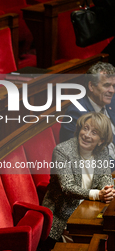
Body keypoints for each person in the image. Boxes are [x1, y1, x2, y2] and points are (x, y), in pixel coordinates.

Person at [42, 112, 115, 250]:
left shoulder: (102, 150)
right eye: (85, 128)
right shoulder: (62, 151)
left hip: (88, 210)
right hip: (62, 217)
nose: (87, 135)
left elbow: (105, 175)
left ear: (101, 141)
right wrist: (97, 194)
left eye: (94, 132)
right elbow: (67, 187)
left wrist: (107, 190)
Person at [59, 62, 115, 160]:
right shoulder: (76, 113)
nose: (112, 90)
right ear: (91, 86)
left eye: (113, 86)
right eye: (107, 85)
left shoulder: (111, 102)